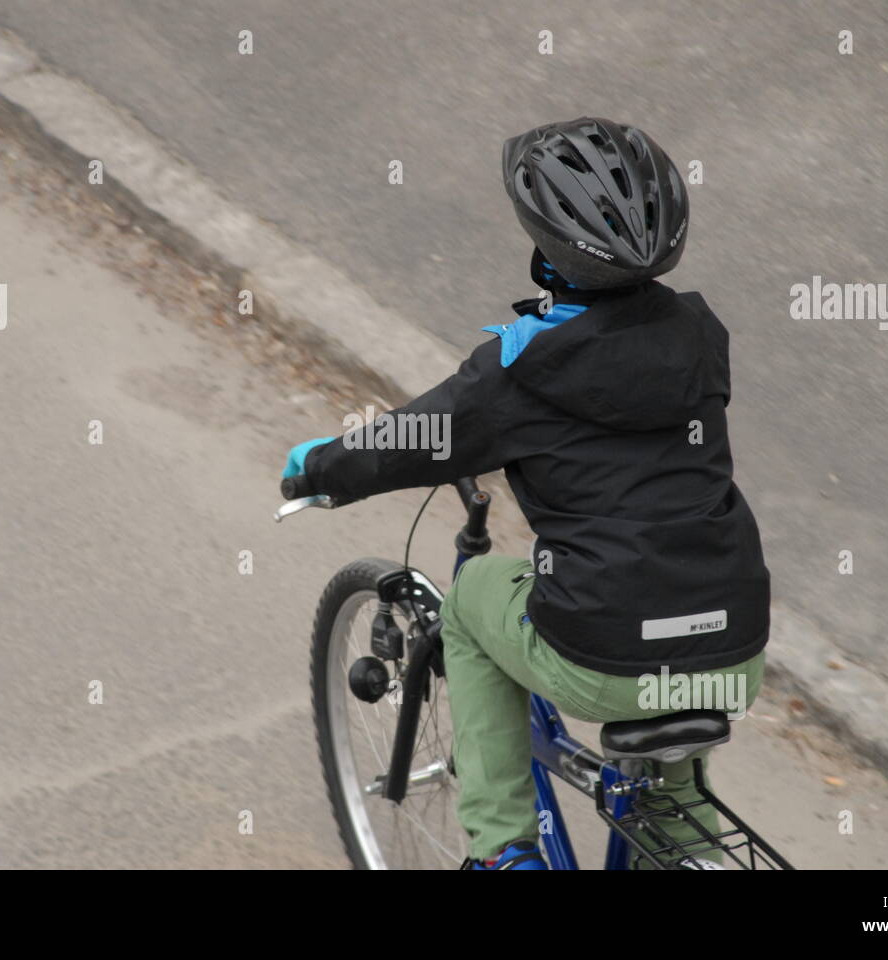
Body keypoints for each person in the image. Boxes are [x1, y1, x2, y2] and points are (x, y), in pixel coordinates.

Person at [283, 117, 770, 870]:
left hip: (601, 652)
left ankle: (502, 847)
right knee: (676, 645)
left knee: (478, 591)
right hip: (733, 643)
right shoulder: (702, 335)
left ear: (545, 244)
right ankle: (685, 837)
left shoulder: (515, 374)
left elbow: (409, 441)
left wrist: (319, 468)